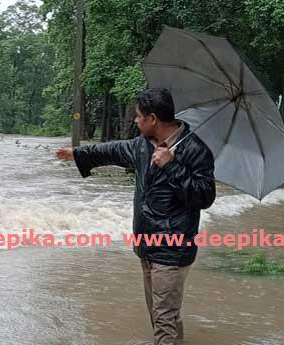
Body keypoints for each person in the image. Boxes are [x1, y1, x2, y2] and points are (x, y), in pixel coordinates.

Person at [56, 88, 216, 345]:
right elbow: (112, 151)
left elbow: (205, 197)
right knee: (164, 316)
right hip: (146, 244)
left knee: (163, 318)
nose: (135, 120)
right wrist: (77, 153)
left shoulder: (195, 150)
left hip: (173, 248)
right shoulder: (142, 145)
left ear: (153, 119)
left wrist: (172, 166)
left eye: (138, 116)